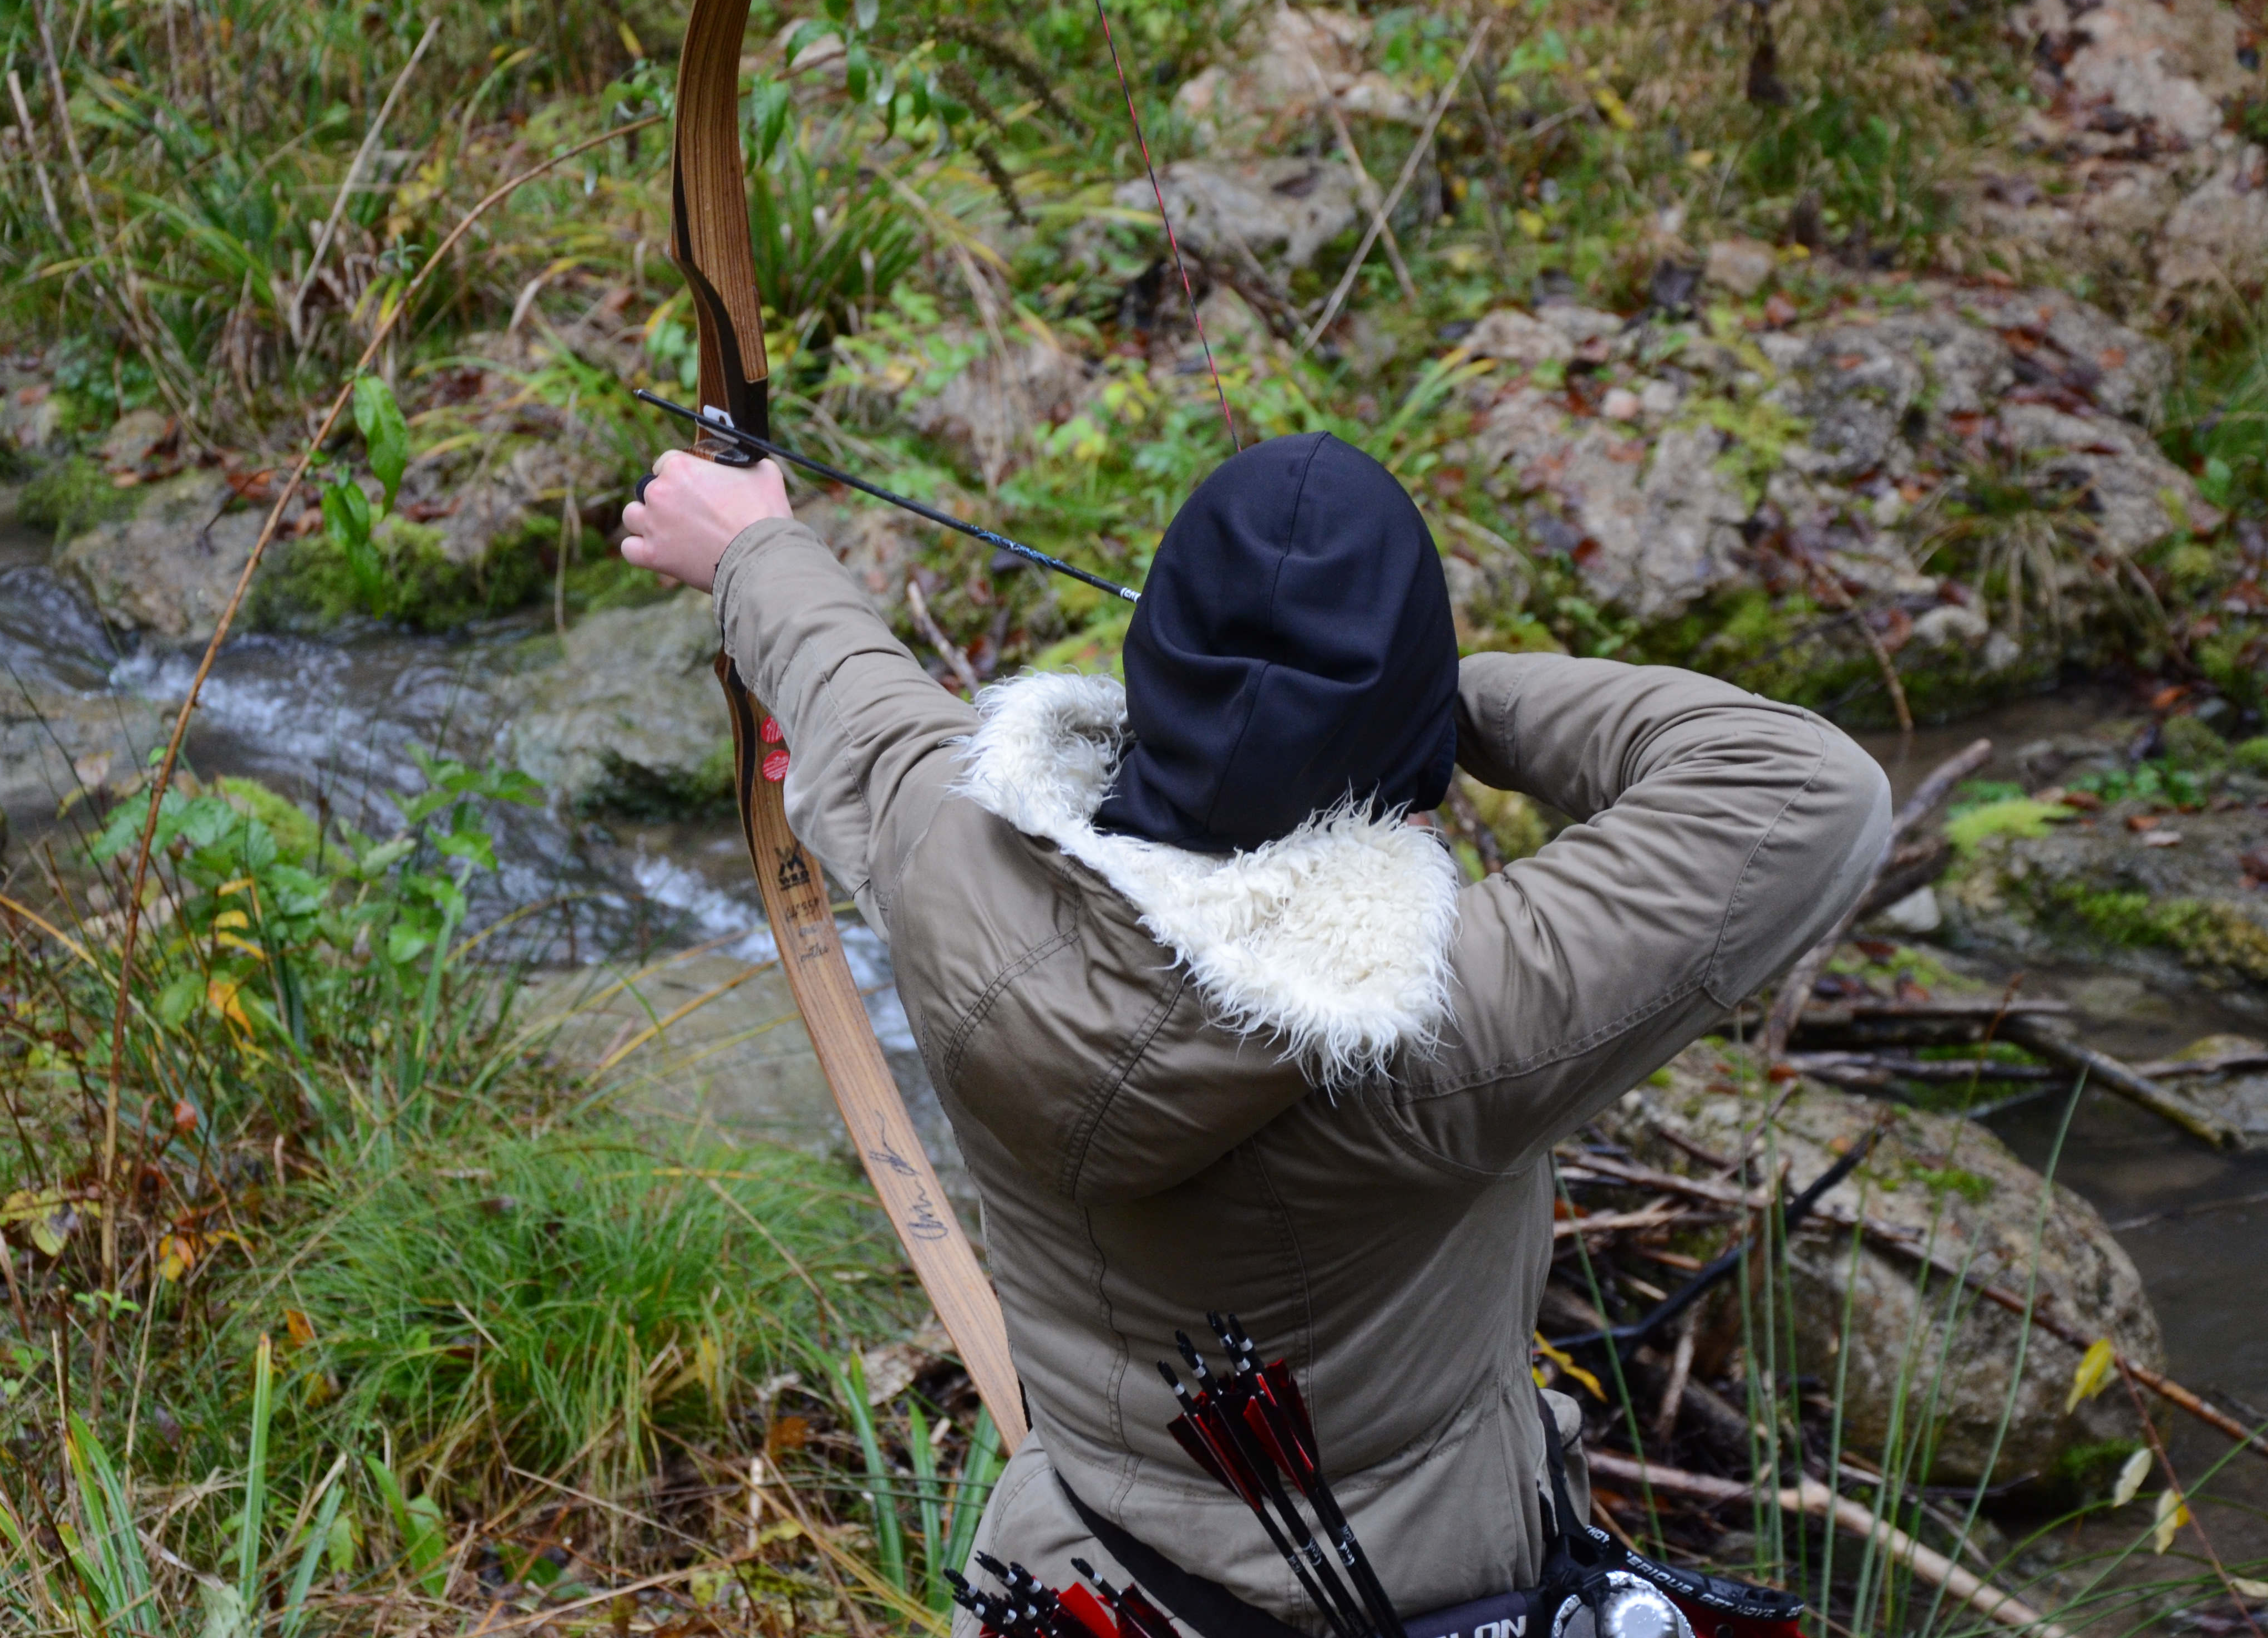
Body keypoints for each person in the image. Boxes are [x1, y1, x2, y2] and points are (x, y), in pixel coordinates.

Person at [620, 431, 1891, 1638]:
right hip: (1425, 1599)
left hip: (1081, 1585)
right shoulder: (1437, 1027)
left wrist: (748, 546)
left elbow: (847, 678)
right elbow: (1801, 787)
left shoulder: (945, 850)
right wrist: (1435, 699)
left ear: (1149, 662)